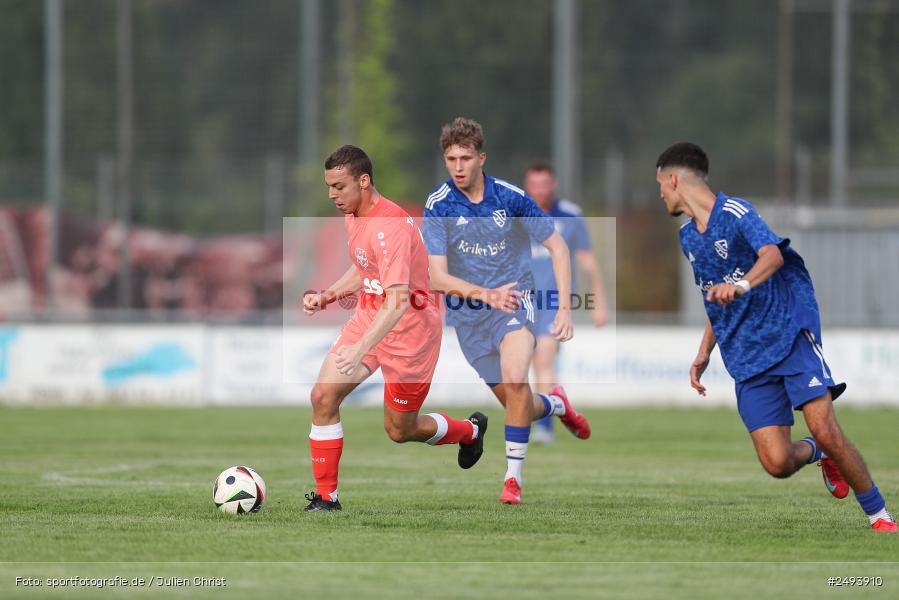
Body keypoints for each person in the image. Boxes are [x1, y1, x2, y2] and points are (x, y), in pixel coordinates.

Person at [656, 141, 896, 532]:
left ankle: (880, 515)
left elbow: (772, 255)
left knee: (825, 426)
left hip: (789, 334)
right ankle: (820, 453)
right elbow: (714, 297)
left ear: (673, 179)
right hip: (746, 355)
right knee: (777, 462)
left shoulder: (736, 212)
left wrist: (743, 286)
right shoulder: (688, 238)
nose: (660, 194)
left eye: (660, 186)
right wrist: (703, 352)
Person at [302, 145, 487, 512]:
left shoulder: (392, 228)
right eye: (329, 186)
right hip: (372, 315)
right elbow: (366, 265)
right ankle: (327, 498)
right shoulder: (354, 214)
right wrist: (328, 295)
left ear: (364, 181)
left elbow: (399, 301)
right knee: (323, 398)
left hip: (411, 332)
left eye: (339, 186)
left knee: (400, 431)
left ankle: (469, 431)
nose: (332, 195)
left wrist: (357, 350)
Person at [423, 118, 591, 505]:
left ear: (482, 158)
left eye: (466, 157)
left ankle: (512, 480)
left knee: (517, 381)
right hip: (468, 319)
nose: (459, 166)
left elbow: (559, 247)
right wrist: (485, 294)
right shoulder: (439, 205)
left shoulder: (510, 198)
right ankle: (557, 404)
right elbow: (437, 278)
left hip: (516, 303)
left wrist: (564, 308)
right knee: (520, 404)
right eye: (451, 159)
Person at [524, 161, 609, 444]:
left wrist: (599, 302)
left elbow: (588, 261)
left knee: (544, 359)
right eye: (534, 185)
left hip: (553, 303)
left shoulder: (571, 215)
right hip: (521, 302)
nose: (539, 190)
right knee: (524, 365)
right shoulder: (517, 214)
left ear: (553, 185)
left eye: (544, 184)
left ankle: (544, 427)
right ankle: (552, 406)